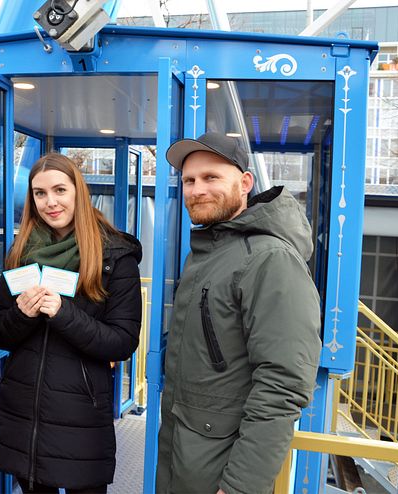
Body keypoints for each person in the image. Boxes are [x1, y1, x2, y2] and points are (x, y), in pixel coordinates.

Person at [156, 132, 322, 494]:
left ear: (245, 182)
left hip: (219, 472)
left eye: (211, 177)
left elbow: (284, 385)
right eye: (189, 180)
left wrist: (240, 487)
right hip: (186, 459)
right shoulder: (209, 252)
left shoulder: (269, 259)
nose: (196, 189)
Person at [0, 153, 142, 493]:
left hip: (81, 420)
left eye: (60, 190)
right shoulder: (21, 252)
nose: (50, 202)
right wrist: (22, 314)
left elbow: (122, 341)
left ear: (78, 192)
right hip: (24, 418)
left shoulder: (115, 256)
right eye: (40, 193)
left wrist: (63, 313)